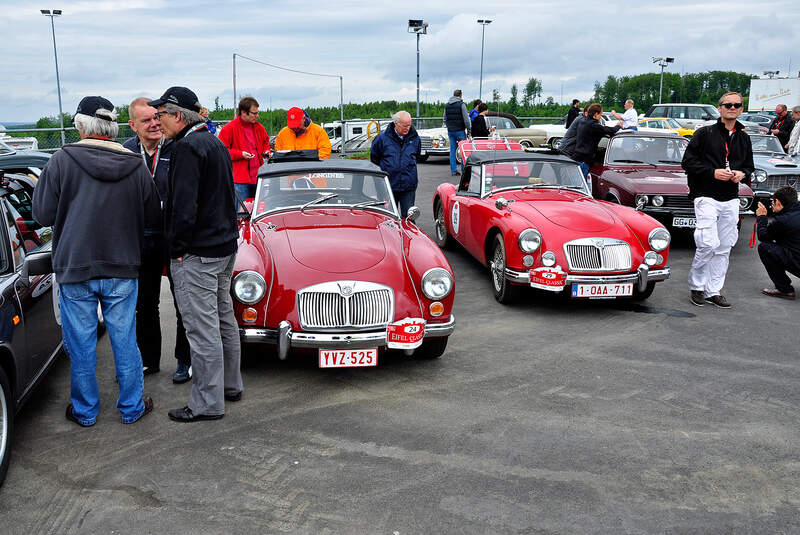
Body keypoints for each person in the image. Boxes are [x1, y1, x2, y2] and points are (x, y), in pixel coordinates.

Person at [33, 96, 160, 426]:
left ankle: (85, 411)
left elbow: (42, 214)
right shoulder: (135, 164)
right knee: (125, 339)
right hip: (122, 265)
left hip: (75, 265)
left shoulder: (61, 160)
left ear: (79, 125)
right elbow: (152, 215)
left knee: (81, 344)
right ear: (113, 127)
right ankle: (131, 408)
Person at [148, 86, 242, 422]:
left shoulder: (187, 147)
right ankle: (230, 385)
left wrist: (176, 250)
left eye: (161, 114)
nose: (158, 120)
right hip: (223, 247)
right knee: (222, 320)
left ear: (177, 116)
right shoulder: (213, 141)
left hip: (198, 253)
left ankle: (206, 402)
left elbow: (184, 208)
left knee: (202, 330)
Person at [123, 97, 192, 383]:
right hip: (140, 239)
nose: (154, 124)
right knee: (144, 303)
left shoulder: (177, 148)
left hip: (173, 236)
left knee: (182, 302)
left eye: (156, 117)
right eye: (146, 120)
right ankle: (148, 360)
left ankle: (184, 360)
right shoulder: (125, 152)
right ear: (132, 125)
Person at [682, 91, 754, 308]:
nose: (732, 108)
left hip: (731, 198)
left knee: (724, 246)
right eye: (728, 105)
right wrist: (712, 172)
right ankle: (697, 286)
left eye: (737, 105)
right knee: (708, 243)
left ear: (741, 109)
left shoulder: (744, 137)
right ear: (720, 108)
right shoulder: (704, 134)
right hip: (706, 195)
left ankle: (714, 290)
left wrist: (742, 174)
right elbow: (688, 162)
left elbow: (749, 166)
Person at [369, 110, 421, 216]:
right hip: (388, 186)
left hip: (408, 186)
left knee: (408, 217)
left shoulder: (415, 139)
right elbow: (374, 160)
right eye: (405, 125)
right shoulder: (381, 139)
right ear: (396, 124)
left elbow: (417, 157)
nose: (407, 128)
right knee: (388, 217)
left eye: (409, 125)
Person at [218, 96, 271, 200]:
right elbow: (221, 152)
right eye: (254, 113)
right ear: (243, 112)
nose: (257, 116)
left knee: (259, 211)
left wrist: (266, 151)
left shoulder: (259, 127)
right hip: (239, 181)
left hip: (259, 177)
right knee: (241, 214)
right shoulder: (229, 129)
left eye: (257, 113)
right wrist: (240, 154)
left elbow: (266, 142)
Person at [755, 186, 800, 300]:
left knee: (765, 248)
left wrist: (762, 217)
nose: (771, 206)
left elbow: (763, 236)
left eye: (772, 202)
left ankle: (784, 289)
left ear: (778, 202)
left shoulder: (783, 221)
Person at [572, 103, 622, 191]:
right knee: (580, 187)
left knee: (575, 183)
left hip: (577, 157)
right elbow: (610, 131)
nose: (600, 116)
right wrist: (618, 126)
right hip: (584, 159)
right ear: (596, 114)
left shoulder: (583, 121)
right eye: (600, 114)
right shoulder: (593, 125)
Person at [443, 89, 471, 176]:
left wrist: (448, 126)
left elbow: (444, 118)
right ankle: (464, 169)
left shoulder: (447, 105)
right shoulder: (461, 105)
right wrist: (469, 129)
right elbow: (466, 119)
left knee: (452, 150)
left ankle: (453, 170)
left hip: (451, 131)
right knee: (463, 150)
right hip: (460, 130)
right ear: (460, 95)